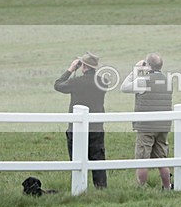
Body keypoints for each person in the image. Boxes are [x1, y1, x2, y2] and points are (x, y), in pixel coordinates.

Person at [54, 51, 108, 188]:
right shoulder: (103, 81)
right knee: (98, 162)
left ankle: (78, 188)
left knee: (77, 161)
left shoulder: (75, 82)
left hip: (77, 128)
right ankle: (101, 189)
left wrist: (71, 69)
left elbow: (58, 85)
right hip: (96, 127)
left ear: (83, 66)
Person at [120, 53, 172, 189]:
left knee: (142, 160)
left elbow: (124, 87)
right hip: (163, 126)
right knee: (162, 160)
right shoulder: (167, 80)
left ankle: (141, 188)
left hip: (146, 126)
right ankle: (167, 187)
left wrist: (135, 70)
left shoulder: (144, 81)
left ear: (148, 65)